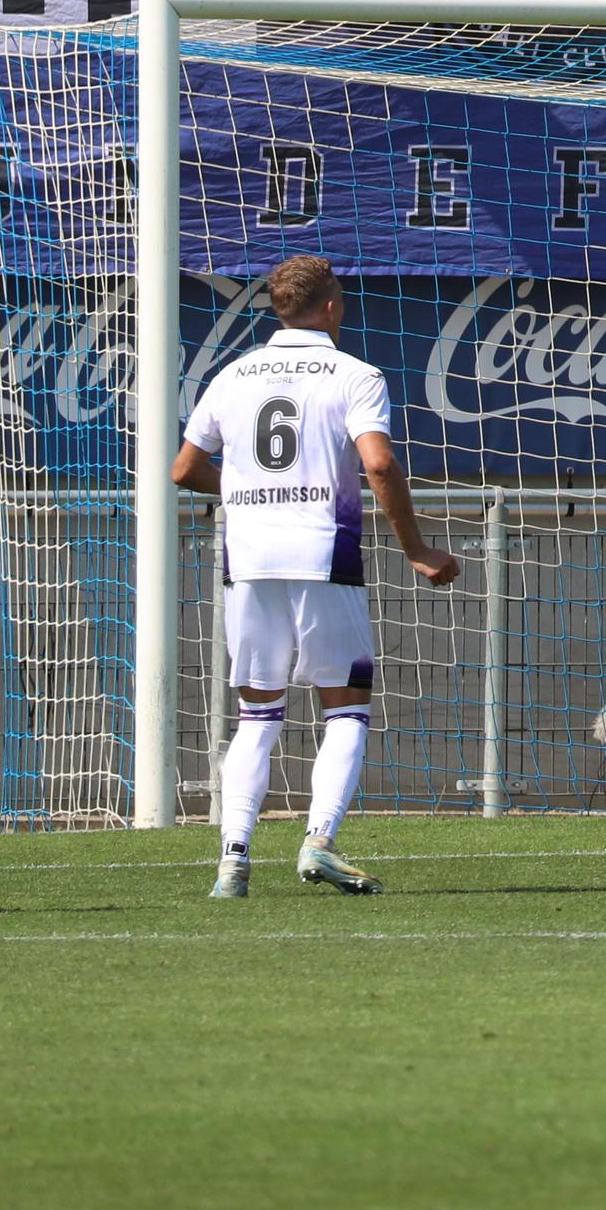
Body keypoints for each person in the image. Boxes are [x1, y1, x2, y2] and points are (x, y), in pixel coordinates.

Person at [176, 254, 456, 900]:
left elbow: (183, 468)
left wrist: (244, 491)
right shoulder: (355, 374)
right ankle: (319, 839)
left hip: (248, 560)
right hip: (324, 556)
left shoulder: (232, 375)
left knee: (256, 716)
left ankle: (232, 861)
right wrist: (417, 548)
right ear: (330, 307)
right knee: (346, 708)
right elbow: (378, 465)